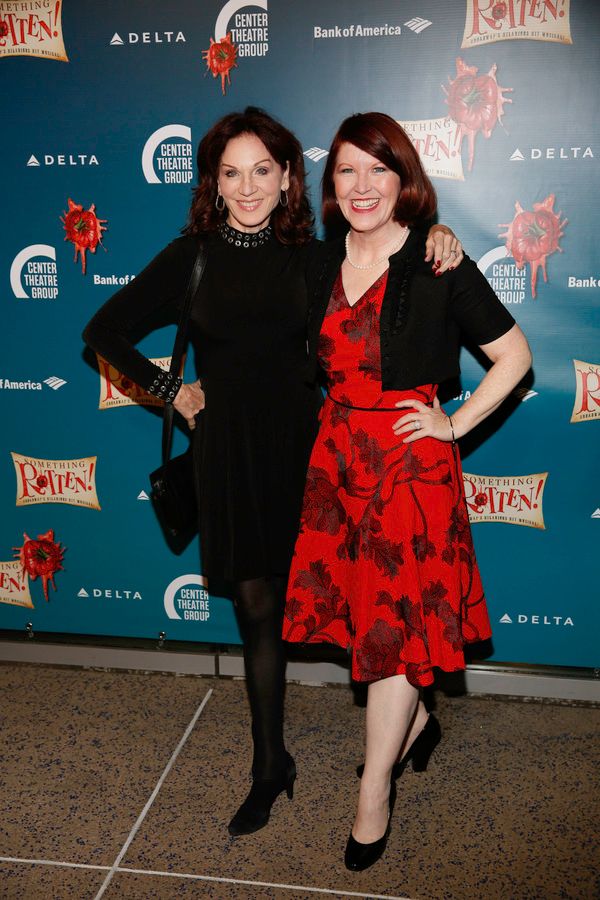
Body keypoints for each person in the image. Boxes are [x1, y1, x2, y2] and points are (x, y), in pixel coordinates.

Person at [83, 107, 463, 838]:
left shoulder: (315, 257)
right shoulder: (189, 256)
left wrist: (438, 238)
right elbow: (102, 329)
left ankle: (417, 715)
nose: (248, 187)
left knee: (365, 599)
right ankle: (269, 766)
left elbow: (393, 257)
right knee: (258, 610)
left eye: (264, 170)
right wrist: (172, 391)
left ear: (288, 176)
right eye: (232, 173)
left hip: (316, 454)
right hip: (229, 453)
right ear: (214, 183)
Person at [283, 112, 532, 870]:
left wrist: (454, 427)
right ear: (331, 186)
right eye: (348, 171)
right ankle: (417, 723)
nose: (363, 186)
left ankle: (375, 793)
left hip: (407, 466)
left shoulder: (437, 260)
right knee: (365, 618)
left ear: (404, 180)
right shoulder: (315, 263)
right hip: (337, 463)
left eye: (378, 170)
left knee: (391, 635)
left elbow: (514, 356)